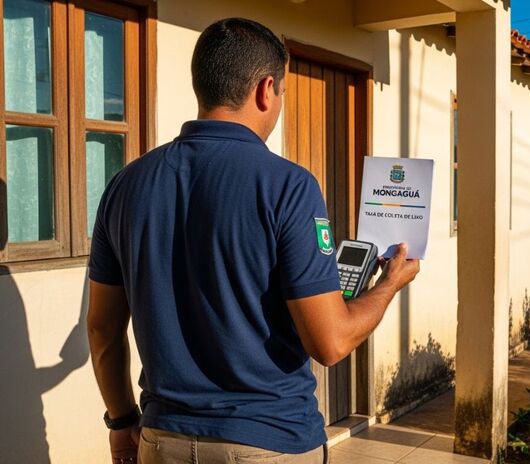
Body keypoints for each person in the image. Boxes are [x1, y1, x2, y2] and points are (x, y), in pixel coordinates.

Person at [86, 17, 419, 464]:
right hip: (269, 441)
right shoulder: (288, 186)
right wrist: (388, 284)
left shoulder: (125, 185)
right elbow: (331, 342)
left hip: (161, 441)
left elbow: (102, 328)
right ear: (266, 89)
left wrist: (122, 421)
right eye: (282, 92)